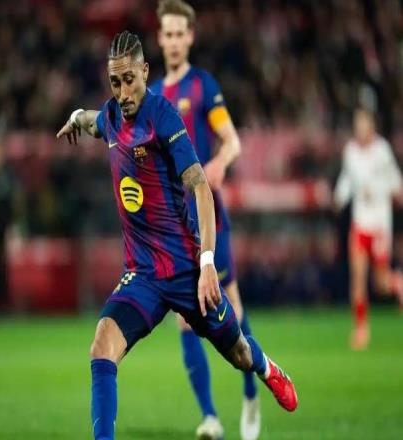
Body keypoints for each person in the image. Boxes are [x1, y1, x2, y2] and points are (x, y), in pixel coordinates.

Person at [57, 30, 298, 440]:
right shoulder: (111, 115)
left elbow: (200, 187)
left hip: (186, 269)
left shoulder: (163, 116)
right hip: (142, 275)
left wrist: (207, 263)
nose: (123, 92)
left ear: (144, 72)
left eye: (129, 80)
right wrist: (76, 117)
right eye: (115, 82)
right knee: (102, 347)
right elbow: (93, 121)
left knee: (239, 353)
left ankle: (267, 368)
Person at [150, 1, 259, 438]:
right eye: (168, 34)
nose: (175, 41)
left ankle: (251, 392)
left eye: (181, 33)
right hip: (176, 222)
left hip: (208, 212)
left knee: (230, 302)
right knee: (184, 316)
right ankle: (211, 417)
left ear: (190, 37)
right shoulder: (151, 95)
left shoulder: (202, 86)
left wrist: (218, 163)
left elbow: (232, 141)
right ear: (160, 38)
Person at [334, 108, 403, 350]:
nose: (360, 128)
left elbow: (395, 182)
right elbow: (347, 180)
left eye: (364, 123)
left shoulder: (382, 150)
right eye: (357, 124)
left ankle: (397, 283)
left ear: (372, 126)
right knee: (358, 278)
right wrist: (339, 197)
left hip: (379, 225)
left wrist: (383, 190)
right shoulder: (351, 152)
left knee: (381, 283)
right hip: (360, 223)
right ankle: (361, 329)